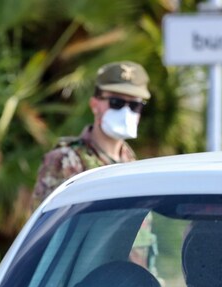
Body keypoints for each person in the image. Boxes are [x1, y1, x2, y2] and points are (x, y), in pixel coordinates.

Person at [31, 61, 157, 273]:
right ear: (95, 104)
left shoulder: (135, 166)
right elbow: (43, 237)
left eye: (135, 105)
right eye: (116, 102)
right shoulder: (64, 161)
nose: (126, 111)